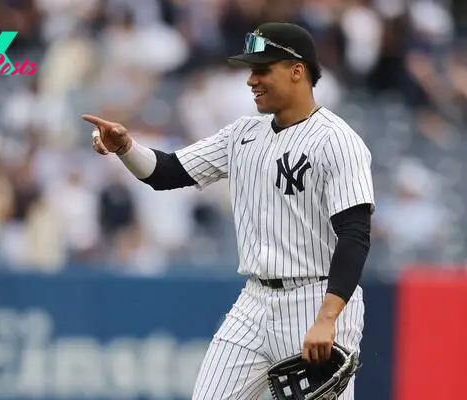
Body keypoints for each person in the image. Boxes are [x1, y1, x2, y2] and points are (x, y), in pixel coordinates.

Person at [83, 22, 375, 400]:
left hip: (316, 299)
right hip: (254, 301)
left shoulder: (338, 141)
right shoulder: (242, 134)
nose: (251, 80)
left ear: (297, 71)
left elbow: (355, 235)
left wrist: (327, 318)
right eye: (250, 70)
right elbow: (167, 172)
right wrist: (126, 147)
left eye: (262, 69)